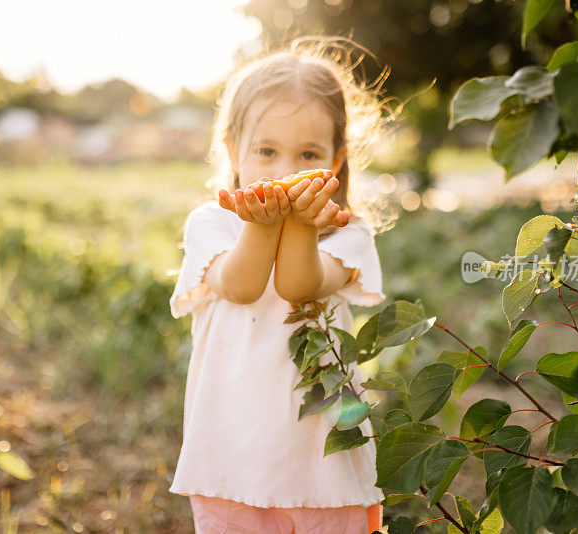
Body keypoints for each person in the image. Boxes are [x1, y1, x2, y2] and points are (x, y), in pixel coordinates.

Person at [168, 36, 393, 534]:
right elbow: (240, 286)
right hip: (232, 460)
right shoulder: (211, 225)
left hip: (325, 457)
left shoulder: (346, 232)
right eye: (266, 151)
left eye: (307, 154)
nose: (285, 172)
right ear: (232, 149)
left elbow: (300, 285)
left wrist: (301, 225)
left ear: (334, 162)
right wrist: (263, 222)